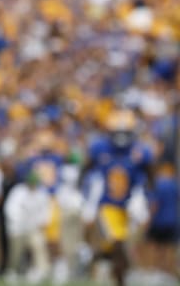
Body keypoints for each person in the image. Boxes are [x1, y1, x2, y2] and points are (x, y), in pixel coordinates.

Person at [82, 109, 153, 286]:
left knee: (117, 248)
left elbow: (151, 176)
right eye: (117, 132)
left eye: (125, 133)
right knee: (118, 245)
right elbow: (86, 170)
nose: (121, 137)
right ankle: (119, 279)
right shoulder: (100, 148)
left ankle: (98, 262)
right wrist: (85, 197)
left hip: (129, 207)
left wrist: (144, 198)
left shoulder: (140, 151)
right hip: (108, 206)